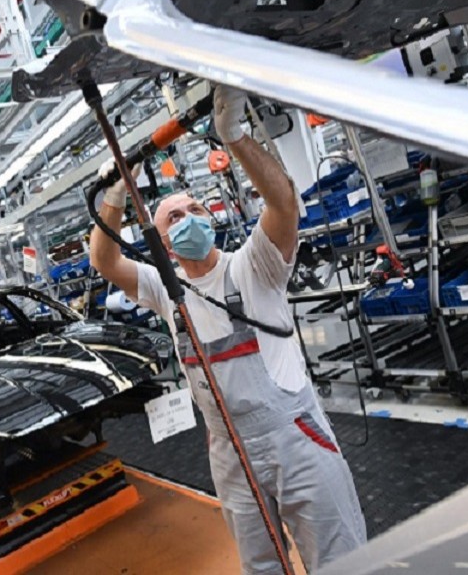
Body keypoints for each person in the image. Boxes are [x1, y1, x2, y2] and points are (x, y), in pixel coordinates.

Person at [89, 85, 366, 573]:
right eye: (174, 216)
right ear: (164, 245)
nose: (189, 218)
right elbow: (104, 259)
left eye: (195, 209)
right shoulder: (164, 289)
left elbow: (283, 204)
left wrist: (233, 136)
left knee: (338, 554)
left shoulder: (252, 266)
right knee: (261, 566)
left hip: (294, 437)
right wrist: (113, 195)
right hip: (229, 452)